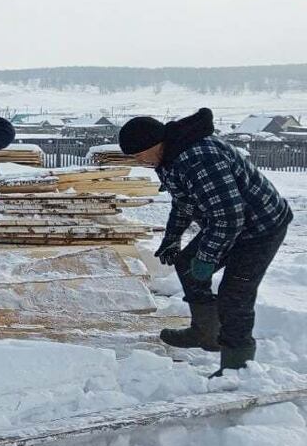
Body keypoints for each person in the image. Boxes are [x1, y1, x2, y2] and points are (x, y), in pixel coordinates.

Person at [120, 108, 292, 374]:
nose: (140, 161)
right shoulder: (167, 158)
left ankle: (238, 366)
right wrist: (172, 238)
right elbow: (184, 201)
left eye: (140, 155)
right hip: (229, 222)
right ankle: (206, 333)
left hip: (261, 228)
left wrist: (208, 257)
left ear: (155, 144)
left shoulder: (200, 158)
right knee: (187, 264)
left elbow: (229, 217)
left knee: (235, 295)